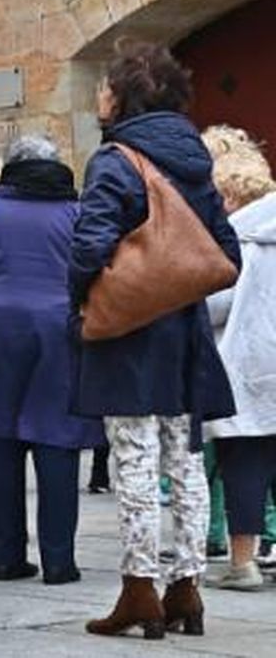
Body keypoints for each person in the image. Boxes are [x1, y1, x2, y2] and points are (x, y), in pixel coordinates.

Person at [72, 39, 239, 640]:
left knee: (135, 462)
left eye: (104, 85)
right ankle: (187, 588)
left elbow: (90, 243)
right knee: (186, 460)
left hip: (129, 335)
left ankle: (139, 590)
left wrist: (82, 299)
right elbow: (225, 247)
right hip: (186, 334)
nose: (98, 95)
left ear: (122, 95)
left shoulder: (116, 159)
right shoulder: (194, 158)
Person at [0, 135, 103, 586]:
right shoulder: (79, 214)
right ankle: (59, 561)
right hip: (58, 334)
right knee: (57, 444)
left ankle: (4, 555)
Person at [201, 125, 276, 591]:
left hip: (246, 365)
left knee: (243, 459)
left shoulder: (238, 239)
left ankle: (242, 563)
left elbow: (216, 305)